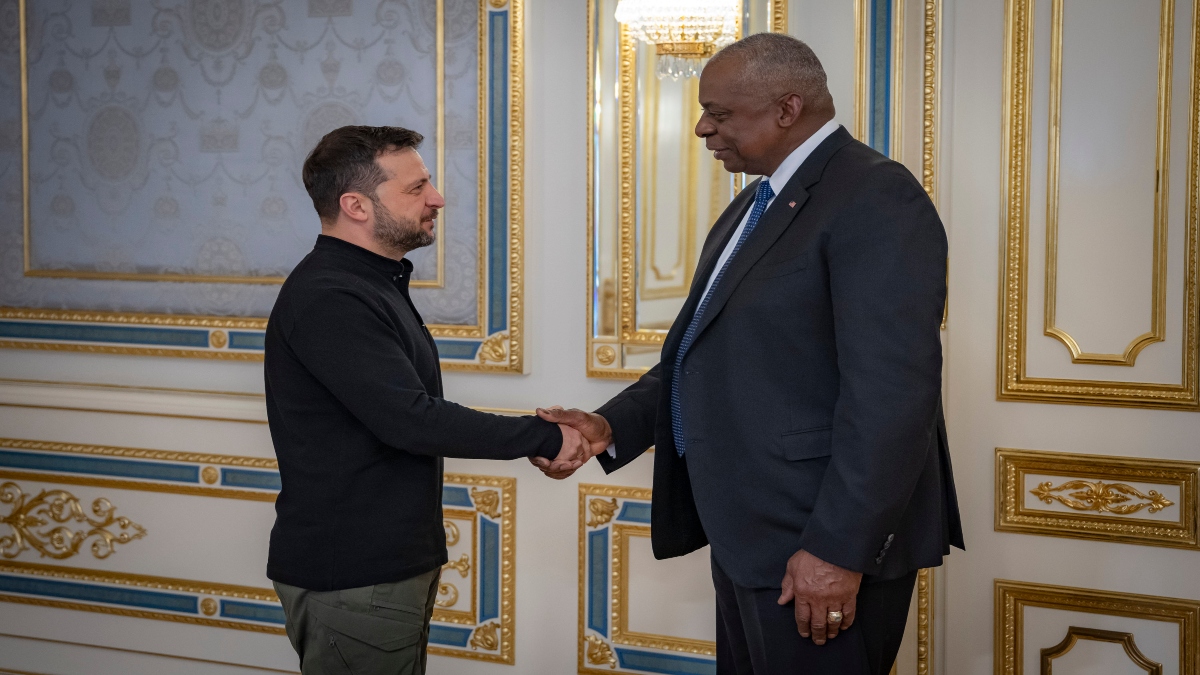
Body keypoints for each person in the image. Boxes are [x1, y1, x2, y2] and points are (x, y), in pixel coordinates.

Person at [535, 33, 964, 675]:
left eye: (722, 113)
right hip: (751, 534)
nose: (704, 128)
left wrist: (836, 551)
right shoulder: (751, 205)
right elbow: (701, 353)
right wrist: (609, 426)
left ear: (788, 108)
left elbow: (893, 396)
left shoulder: (875, 195)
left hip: (815, 543)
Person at [264, 125, 587, 674]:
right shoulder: (331, 295)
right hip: (355, 574)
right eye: (416, 188)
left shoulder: (367, 282)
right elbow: (410, 420)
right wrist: (546, 435)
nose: (436, 197)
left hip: (378, 569)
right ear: (356, 206)